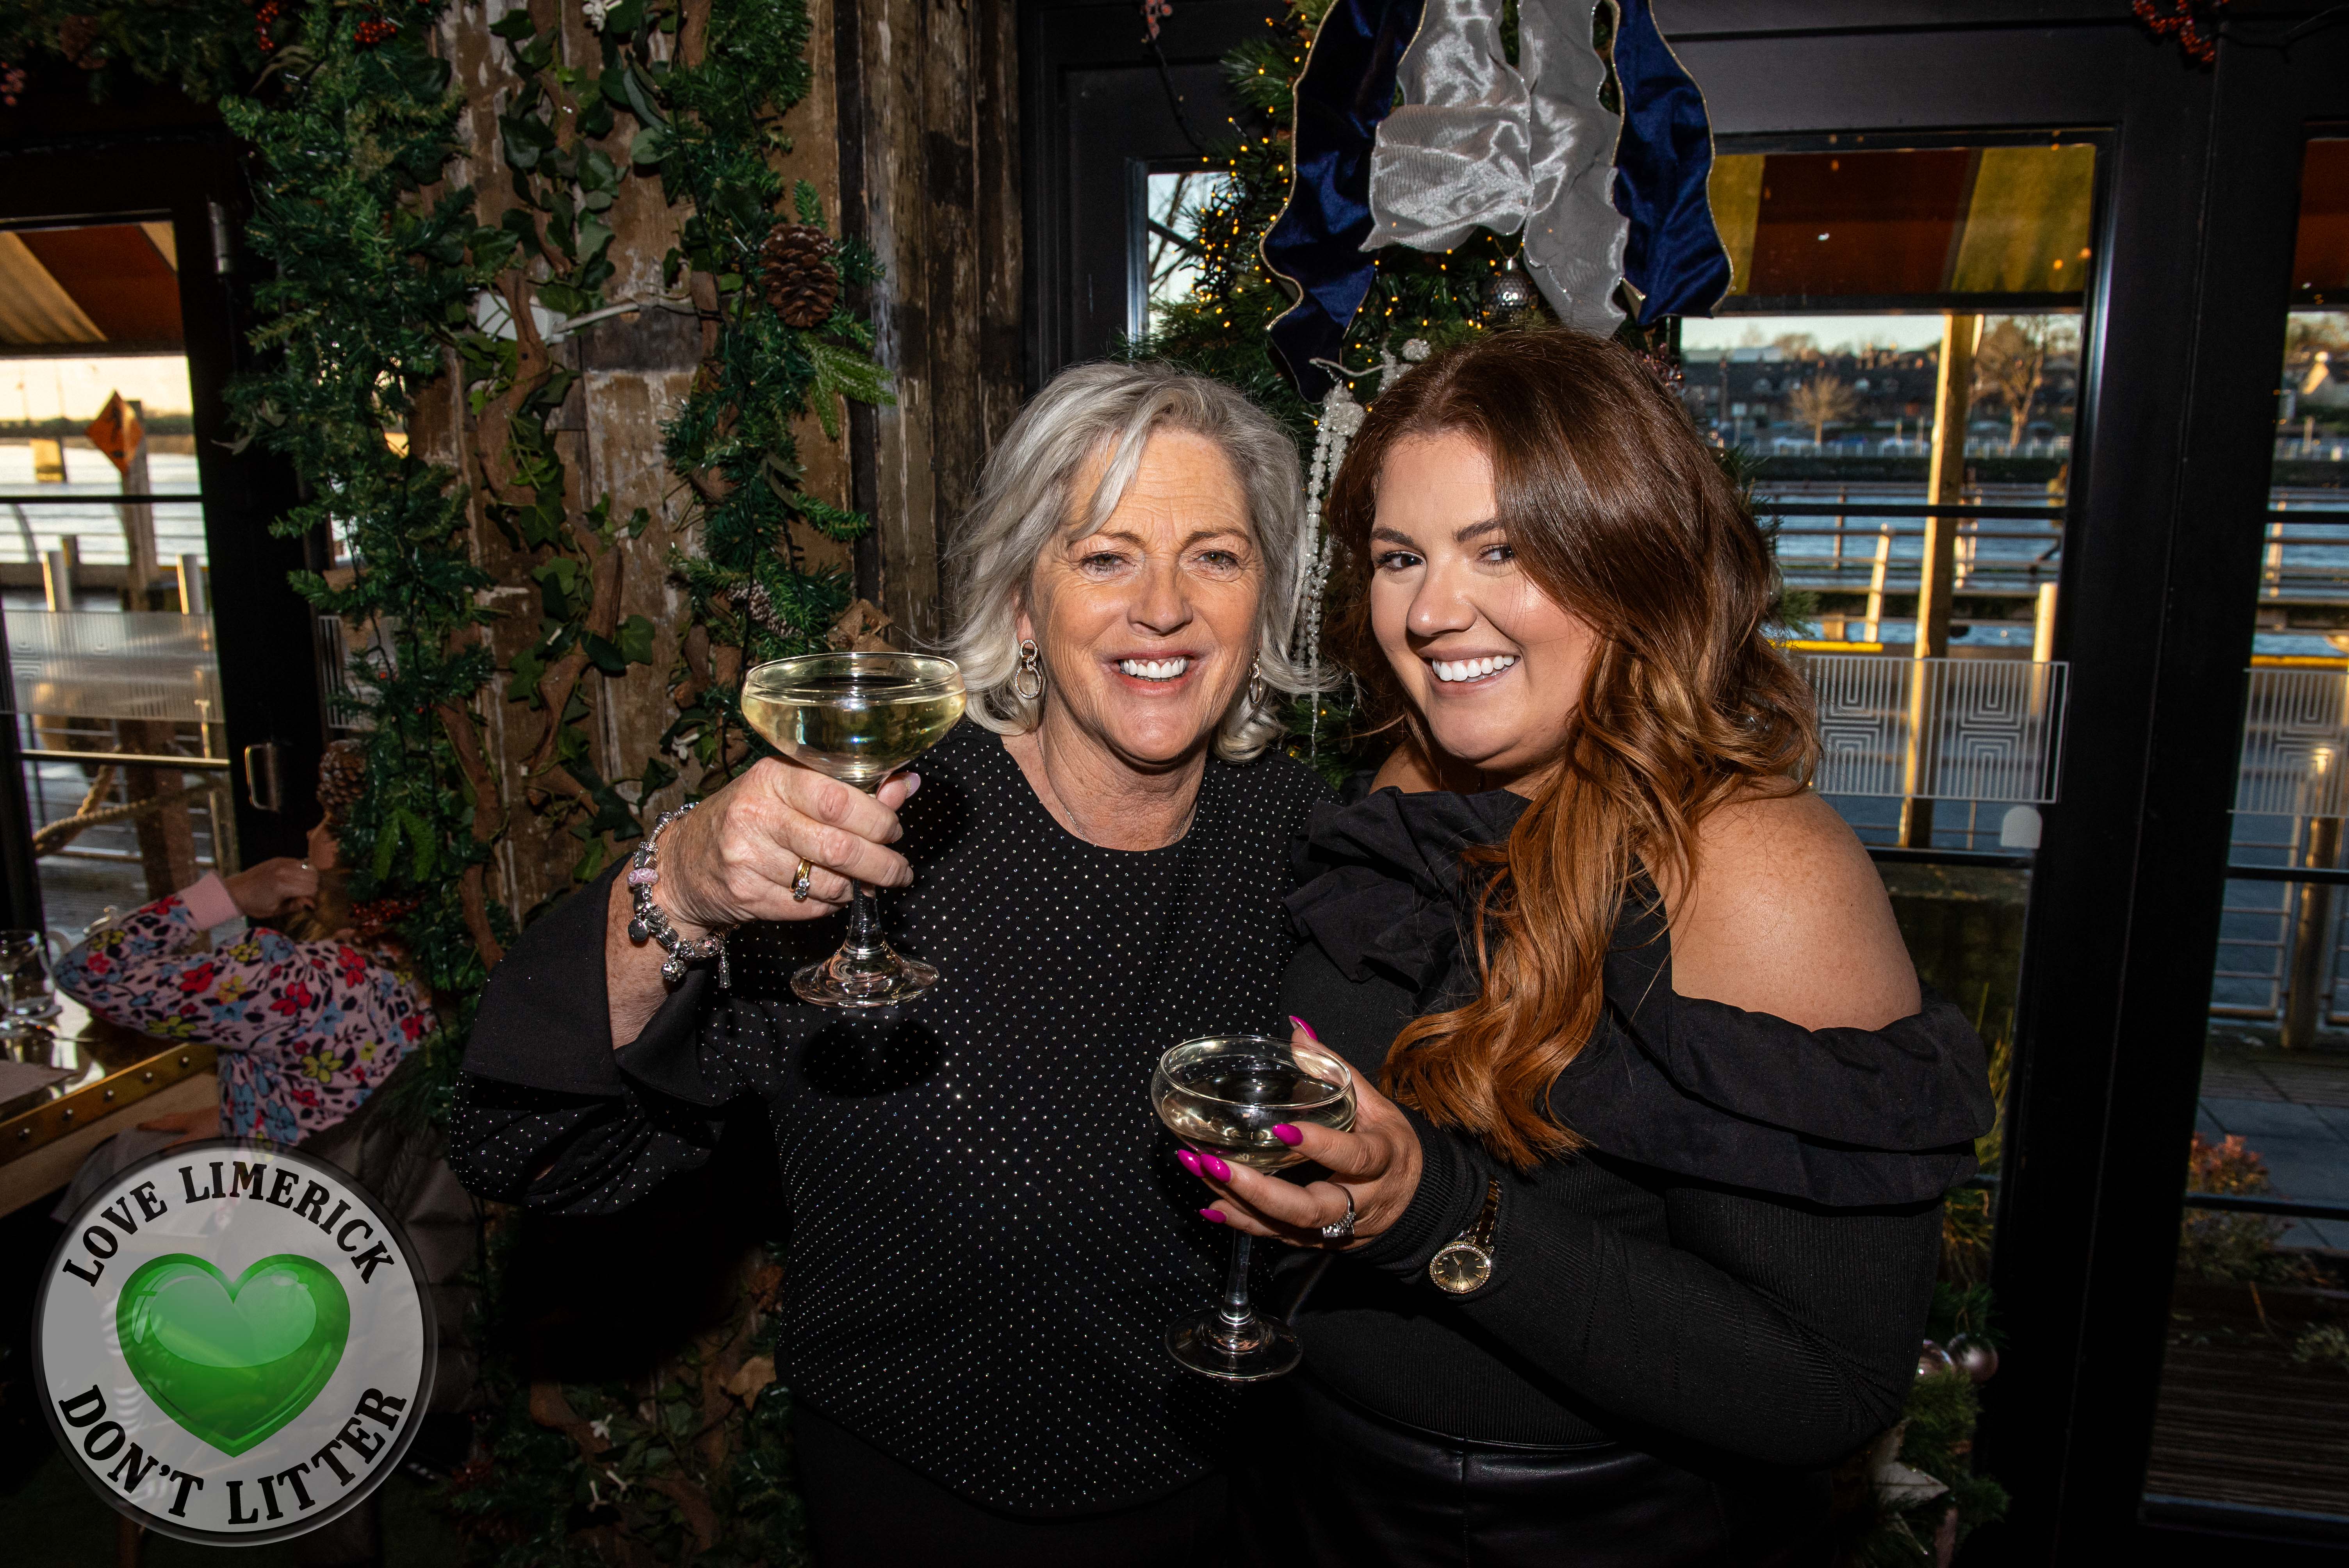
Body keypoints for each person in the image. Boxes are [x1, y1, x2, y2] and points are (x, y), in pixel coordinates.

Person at [446, 362, 1334, 1566]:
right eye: (1104, 556)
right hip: (923, 1502)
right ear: (1022, 602)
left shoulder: (1305, 842)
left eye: (1216, 557)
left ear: (1266, 594)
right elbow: (535, 1149)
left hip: (1233, 1497)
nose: (1164, 607)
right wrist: (685, 884)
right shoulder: (888, 831)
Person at [1181, 331, 1998, 1564]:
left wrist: (1434, 1213)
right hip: (1308, 1477)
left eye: (1502, 550)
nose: (1430, 613)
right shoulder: (1410, 774)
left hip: (1579, 1528)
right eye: (1401, 557)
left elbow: (1825, 1385)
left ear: (1634, 557)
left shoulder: (1757, 872)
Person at [55, 739, 434, 1146]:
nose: (310, 831)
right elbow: (336, 1090)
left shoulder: (285, 982)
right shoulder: (436, 956)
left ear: (354, 850)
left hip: (267, 1184)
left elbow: (87, 971)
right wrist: (247, 1110)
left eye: (327, 823)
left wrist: (229, 894)